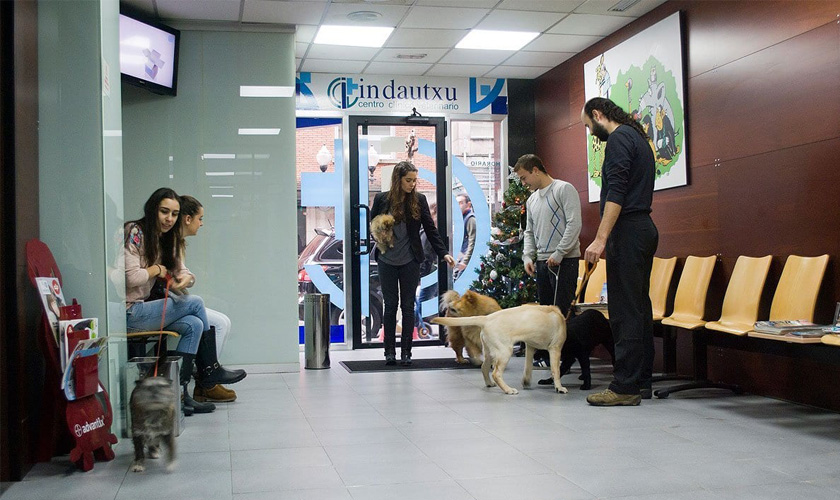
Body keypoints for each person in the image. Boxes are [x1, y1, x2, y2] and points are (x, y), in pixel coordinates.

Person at [123, 188, 237, 416]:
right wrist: (156, 269)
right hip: (130, 312)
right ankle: (209, 372)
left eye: (174, 214)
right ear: (152, 209)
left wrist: (186, 279)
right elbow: (131, 277)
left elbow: (184, 273)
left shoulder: (164, 239)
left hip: (144, 310)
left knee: (194, 325)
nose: (169, 219)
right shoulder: (135, 231)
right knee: (195, 303)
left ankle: (181, 396)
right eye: (164, 212)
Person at [581, 97, 658, 407]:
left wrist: (600, 239)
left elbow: (617, 192)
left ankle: (624, 386)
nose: (590, 133)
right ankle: (641, 381)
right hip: (642, 229)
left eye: (589, 125)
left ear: (599, 114)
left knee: (625, 312)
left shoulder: (618, 138)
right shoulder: (637, 137)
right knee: (639, 308)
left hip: (627, 231)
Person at [371, 162, 455, 366]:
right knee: (390, 306)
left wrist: (443, 253)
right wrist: (381, 230)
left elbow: (430, 228)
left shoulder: (419, 200)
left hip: (410, 260)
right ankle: (389, 352)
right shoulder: (383, 199)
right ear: (398, 179)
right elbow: (372, 226)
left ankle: (406, 352)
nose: (412, 184)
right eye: (408, 180)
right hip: (386, 260)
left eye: (414, 180)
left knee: (408, 306)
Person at [514, 154, 582, 372]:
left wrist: (560, 253)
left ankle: (564, 360)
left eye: (524, 178)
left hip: (565, 261)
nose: (524, 184)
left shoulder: (564, 189)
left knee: (560, 313)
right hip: (543, 262)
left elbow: (574, 224)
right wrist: (527, 256)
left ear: (536, 170)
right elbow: (529, 231)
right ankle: (552, 358)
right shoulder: (532, 199)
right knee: (546, 313)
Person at [179, 195, 246, 403]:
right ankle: (207, 380)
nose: (202, 223)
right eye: (200, 218)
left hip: (177, 300)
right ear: (188, 218)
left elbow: (182, 276)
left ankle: (208, 379)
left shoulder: (177, 244)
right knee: (217, 322)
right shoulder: (170, 243)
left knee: (223, 320)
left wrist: (188, 279)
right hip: (170, 303)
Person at [414, 202, 438, 339]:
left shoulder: (423, 229)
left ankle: (415, 323)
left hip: (428, 269)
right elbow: (427, 254)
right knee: (424, 299)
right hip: (430, 270)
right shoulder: (430, 230)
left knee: (425, 298)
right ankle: (415, 324)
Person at [454, 194, 476, 279]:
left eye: (460, 203)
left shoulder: (470, 219)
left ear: (468, 204)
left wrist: (465, 261)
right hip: (461, 258)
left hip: (466, 260)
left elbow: (472, 242)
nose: (458, 206)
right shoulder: (462, 218)